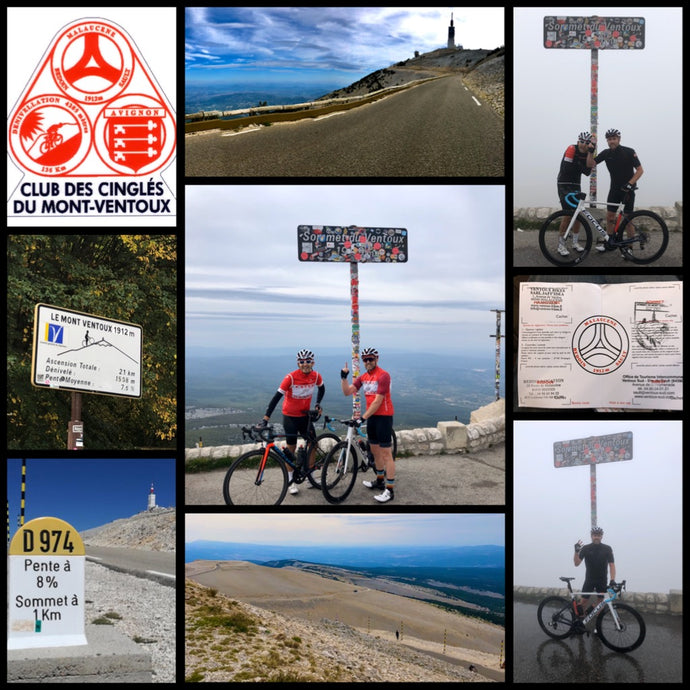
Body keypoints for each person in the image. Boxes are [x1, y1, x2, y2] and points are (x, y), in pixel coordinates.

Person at [262, 349, 325, 495]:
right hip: (290, 417)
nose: (305, 364)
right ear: (298, 363)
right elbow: (276, 398)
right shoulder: (290, 378)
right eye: (302, 362)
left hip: (305, 417)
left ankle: (310, 477)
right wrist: (266, 418)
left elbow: (322, 389)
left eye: (308, 361)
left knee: (313, 444)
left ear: (313, 362)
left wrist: (317, 404)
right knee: (291, 448)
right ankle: (290, 481)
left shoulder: (316, 376)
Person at [340, 347, 395, 503]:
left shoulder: (383, 375)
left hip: (383, 417)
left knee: (386, 455)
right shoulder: (364, 377)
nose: (368, 362)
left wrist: (362, 418)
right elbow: (347, 391)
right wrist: (344, 378)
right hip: (372, 418)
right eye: (365, 359)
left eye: (370, 359)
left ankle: (390, 491)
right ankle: (379, 481)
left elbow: (378, 401)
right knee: (376, 452)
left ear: (376, 359)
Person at [592, 128, 644, 250]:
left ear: (619, 139)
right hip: (614, 190)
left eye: (614, 139)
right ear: (607, 141)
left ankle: (629, 248)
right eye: (609, 139)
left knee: (628, 220)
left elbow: (640, 170)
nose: (612, 141)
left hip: (628, 191)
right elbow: (591, 163)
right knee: (610, 217)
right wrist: (590, 151)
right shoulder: (606, 153)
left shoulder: (629, 152)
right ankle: (609, 243)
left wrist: (630, 184)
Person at [555, 131, 596, 257]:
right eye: (581, 141)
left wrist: (590, 153)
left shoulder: (589, 153)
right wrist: (580, 164)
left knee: (578, 214)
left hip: (575, 185)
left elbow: (588, 172)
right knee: (568, 214)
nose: (583, 145)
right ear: (578, 141)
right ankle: (561, 245)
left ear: (589, 144)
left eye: (586, 143)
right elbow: (567, 168)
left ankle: (575, 242)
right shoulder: (571, 148)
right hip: (564, 183)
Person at [573, 526, 616, 614]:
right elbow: (576, 563)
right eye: (594, 535)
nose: (596, 537)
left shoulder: (607, 548)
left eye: (598, 535)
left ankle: (590, 614)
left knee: (601, 602)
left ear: (602, 536)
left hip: (602, 579)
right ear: (591, 536)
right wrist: (576, 552)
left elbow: (612, 565)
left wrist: (612, 580)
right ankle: (580, 620)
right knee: (583, 602)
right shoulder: (586, 548)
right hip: (589, 579)